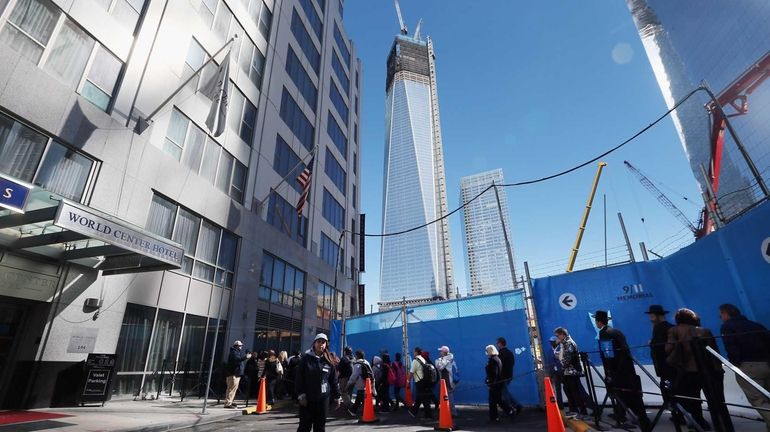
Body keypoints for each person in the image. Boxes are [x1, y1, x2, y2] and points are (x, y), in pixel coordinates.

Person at [666, 308, 728, 430]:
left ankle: (699, 423)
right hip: (708, 370)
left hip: (688, 370)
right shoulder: (705, 331)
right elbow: (714, 352)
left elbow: (668, 349)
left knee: (692, 399)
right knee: (716, 399)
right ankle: (723, 425)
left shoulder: (674, 330)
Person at [595, 310, 651, 431]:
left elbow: (608, 354)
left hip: (617, 369)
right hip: (627, 368)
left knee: (620, 392)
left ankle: (632, 418)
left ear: (599, 322)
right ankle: (627, 416)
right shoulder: (616, 331)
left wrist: (609, 372)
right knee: (631, 393)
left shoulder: (604, 333)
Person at [719, 303, 770, 430]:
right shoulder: (756, 325)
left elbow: (731, 347)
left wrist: (735, 364)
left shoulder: (727, 327)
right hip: (766, 365)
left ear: (726, 313)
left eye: (721, 315)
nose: (721, 318)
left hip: (747, 367)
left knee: (758, 401)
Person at [295, 333, 341, 432]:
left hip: (323, 399)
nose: (321, 344)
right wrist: (301, 395)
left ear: (326, 345)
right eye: (319, 342)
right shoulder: (306, 359)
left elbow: (333, 380)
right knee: (304, 426)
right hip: (308, 399)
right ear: (314, 344)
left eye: (323, 342)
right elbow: (299, 379)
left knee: (320, 427)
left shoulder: (329, 360)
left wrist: (337, 396)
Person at [554, 327, 587, 418]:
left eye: (557, 335)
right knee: (569, 391)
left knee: (575, 392)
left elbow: (567, 358)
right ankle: (574, 410)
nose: (557, 337)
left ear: (562, 334)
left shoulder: (568, 343)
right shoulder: (564, 343)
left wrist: (561, 363)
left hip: (572, 371)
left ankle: (582, 411)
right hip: (568, 371)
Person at [485, 344, 513, 422]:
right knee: (497, 400)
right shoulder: (496, 359)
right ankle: (508, 411)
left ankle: (495, 416)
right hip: (497, 383)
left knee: (494, 401)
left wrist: (490, 382)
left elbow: (494, 373)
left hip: (495, 384)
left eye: (487, 351)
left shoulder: (493, 360)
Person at [496, 337, 524, 415]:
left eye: (498, 343)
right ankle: (517, 405)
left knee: (504, 393)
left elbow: (499, 365)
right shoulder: (509, 352)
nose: (497, 344)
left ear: (500, 343)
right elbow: (512, 363)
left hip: (503, 376)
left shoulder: (501, 353)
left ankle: (510, 409)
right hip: (508, 375)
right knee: (505, 392)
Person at [408, 347, 435, 419]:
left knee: (423, 397)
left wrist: (408, 381)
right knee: (421, 397)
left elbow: (411, 372)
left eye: (414, 352)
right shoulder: (423, 359)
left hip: (420, 382)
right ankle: (414, 411)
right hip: (425, 380)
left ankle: (427, 414)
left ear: (416, 352)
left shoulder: (416, 360)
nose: (413, 353)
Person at [224, 340, 251, 408]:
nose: (241, 347)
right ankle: (227, 403)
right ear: (237, 346)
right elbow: (238, 359)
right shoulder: (233, 353)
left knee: (233, 389)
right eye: (240, 346)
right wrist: (246, 357)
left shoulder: (236, 352)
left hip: (236, 374)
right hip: (233, 374)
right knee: (231, 389)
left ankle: (230, 401)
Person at [348, 350, 374, 416]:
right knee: (361, 398)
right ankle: (356, 410)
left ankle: (355, 410)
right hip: (367, 383)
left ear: (357, 356)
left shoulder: (357, 365)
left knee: (360, 397)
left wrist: (349, 383)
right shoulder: (366, 362)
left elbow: (354, 376)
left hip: (360, 383)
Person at [435, 345, 459, 416]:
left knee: (449, 397)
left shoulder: (446, 359)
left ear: (444, 352)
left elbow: (440, 367)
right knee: (447, 396)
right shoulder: (450, 359)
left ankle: (453, 413)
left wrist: (439, 361)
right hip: (448, 380)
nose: (440, 352)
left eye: (441, 351)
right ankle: (449, 412)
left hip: (447, 381)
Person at [546, 336, 565, 407]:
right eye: (551, 342)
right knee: (557, 389)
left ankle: (574, 405)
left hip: (562, 372)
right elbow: (550, 362)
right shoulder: (550, 351)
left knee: (567, 388)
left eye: (553, 342)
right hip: (554, 373)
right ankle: (560, 405)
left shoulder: (561, 349)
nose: (551, 343)